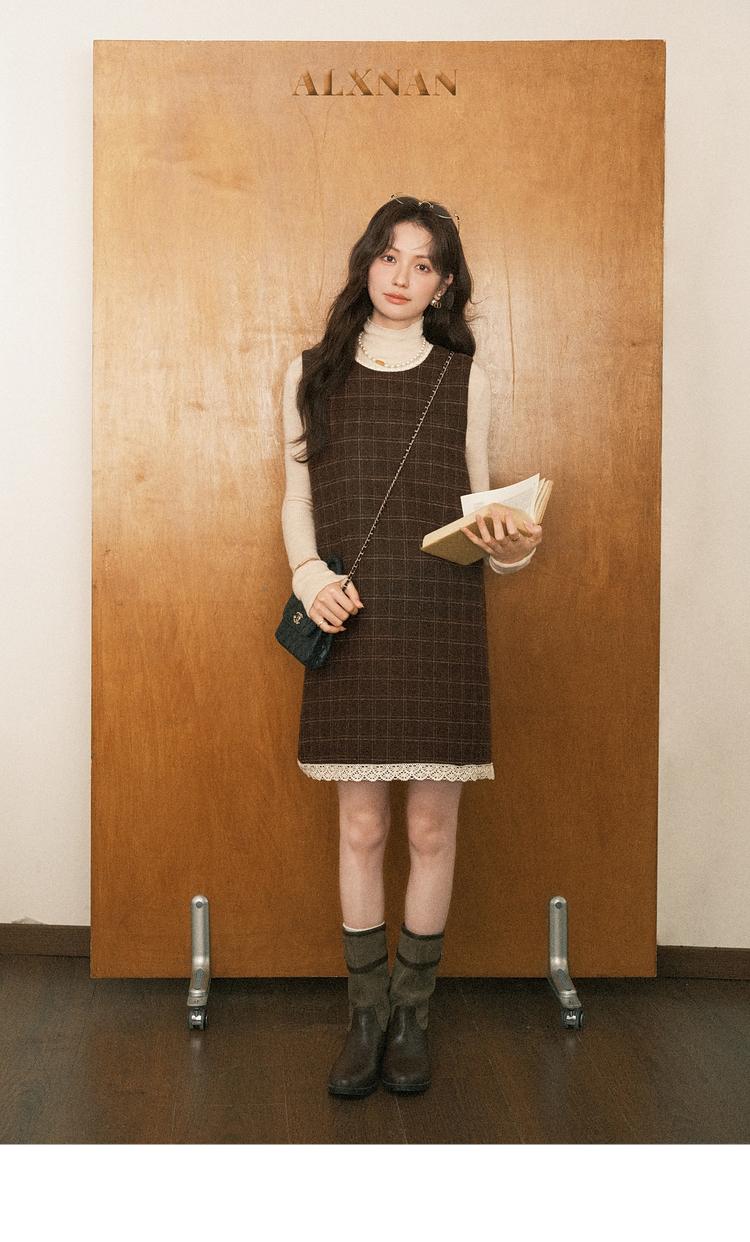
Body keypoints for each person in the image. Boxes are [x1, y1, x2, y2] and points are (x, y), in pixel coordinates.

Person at [281, 195, 542, 1097]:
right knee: (362, 827)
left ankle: (411, 1017)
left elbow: (479, 512)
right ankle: (364, 1016)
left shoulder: (465, 376)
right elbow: (296, 496)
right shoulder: (310, 371)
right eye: (389, 256)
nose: (402, 276)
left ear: (444, 283)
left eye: (423, 263)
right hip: (347, 617)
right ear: (367, 262)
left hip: (441, 617)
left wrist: (514, 545)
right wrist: (308, 578)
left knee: (431, 828)